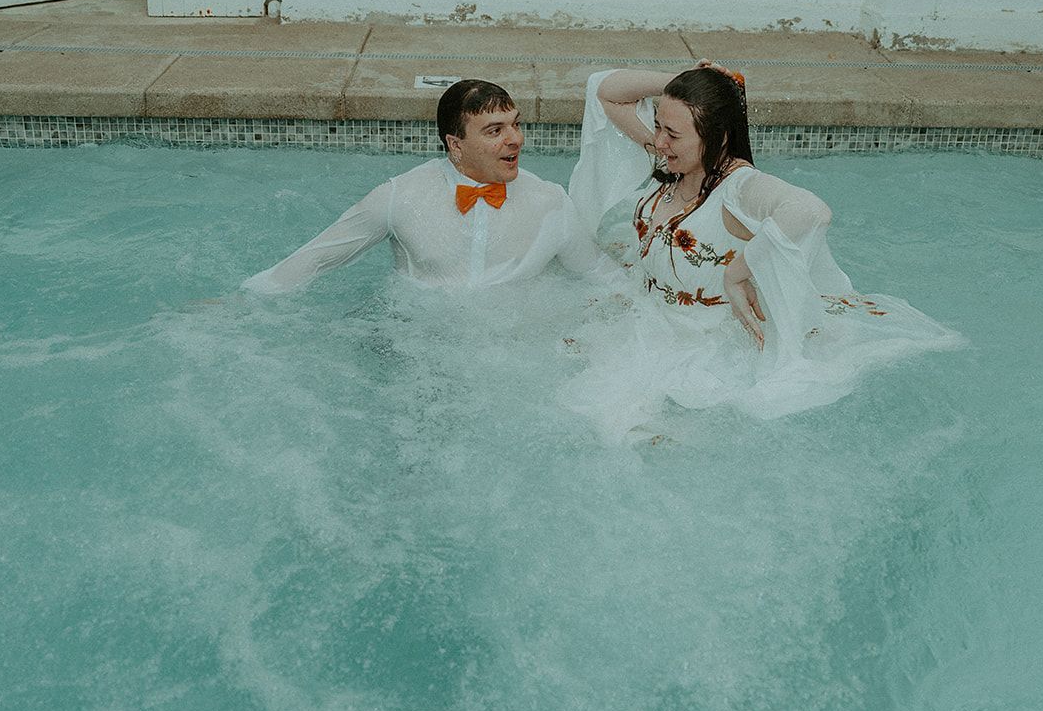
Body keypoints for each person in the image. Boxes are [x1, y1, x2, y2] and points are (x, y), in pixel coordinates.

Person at [560, 61, 962, 438]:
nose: (659, 140)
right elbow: (606, 90)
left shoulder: (737, 187)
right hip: (646, 311)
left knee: (613, 419)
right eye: (658, 126)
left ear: (718, 137)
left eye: (673, 133)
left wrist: (740, 270)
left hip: (696, 338)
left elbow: (811, 211)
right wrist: (687, 82)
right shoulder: (675, 162)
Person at [243, 79, 614, 294]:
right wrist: (242, 300)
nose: (515, 139)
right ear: (455, 144)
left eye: (515, 124)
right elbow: (316, 258)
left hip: (508, 353)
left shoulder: (549, 202)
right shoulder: (401, 198)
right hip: (417, 343)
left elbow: (602, 276)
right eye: (495, 131)